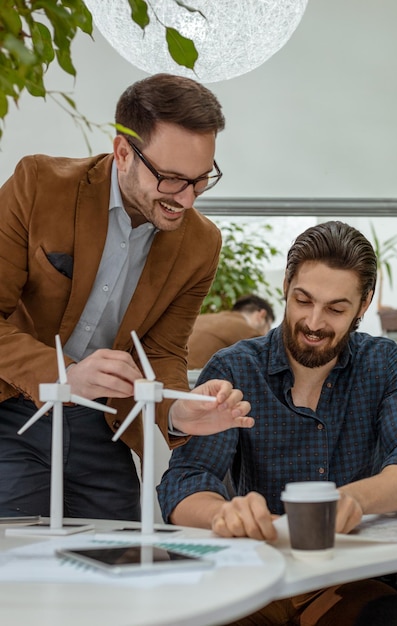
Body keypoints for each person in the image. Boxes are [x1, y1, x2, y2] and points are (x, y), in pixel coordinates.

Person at [0, 73, 253, 522]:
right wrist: (65, 374)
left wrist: (178, 410)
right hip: (12, 409)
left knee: (119, 567)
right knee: (19, 567)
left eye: (201, 180)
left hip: (105, 427)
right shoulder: (38, 185)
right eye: (173, 179)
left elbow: (162, 351)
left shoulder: (200, 243)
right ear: (122, 153)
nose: (188, 200)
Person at [158, 220, 397, 625]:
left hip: (350, 581)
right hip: (257, 579)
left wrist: (352, 501)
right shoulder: (234, 368)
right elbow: (186, 480)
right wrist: (221, 515)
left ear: (364, 304)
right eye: (303, 300)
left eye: (336, 308)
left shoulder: (383, 364)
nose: (314, 322)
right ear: (285, 285)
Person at [187, 294, 275, 369]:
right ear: (261, 315)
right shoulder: (247, 331)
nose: (265, 334)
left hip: (178, 374)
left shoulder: (204, 318)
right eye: (268, 327)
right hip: (191, 383)